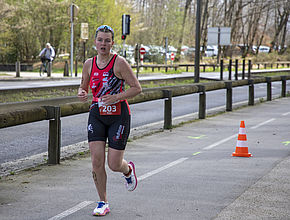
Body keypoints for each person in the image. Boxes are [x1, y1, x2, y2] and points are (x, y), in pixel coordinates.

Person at [77, 25, 142, 216]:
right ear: (95, 42)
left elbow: (137, 88)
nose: (103, 44)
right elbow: (83, 87)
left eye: (107, 40)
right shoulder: (89, 63)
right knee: (96, 161)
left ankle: (128, 170)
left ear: (112, 43)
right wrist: (81, 93)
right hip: (97, 115)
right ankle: (103, 202)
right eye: (100, 40)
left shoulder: (119, 63)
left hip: (118, 116)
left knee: (114, 164)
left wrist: (117, 97)